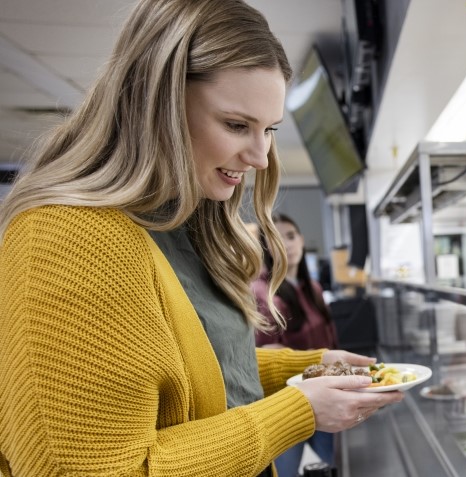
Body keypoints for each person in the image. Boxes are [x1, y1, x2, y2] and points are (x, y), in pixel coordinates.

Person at [0, 1, 401, 476]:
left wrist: (316, 368)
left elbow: (194, 374)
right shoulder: (70, 238)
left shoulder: (182, 222)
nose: (259, 157)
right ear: (157, 105)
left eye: (269, 130)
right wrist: (298, 409)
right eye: (236, 125)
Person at [253, 214, 339, 476]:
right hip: (287, 405)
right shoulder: (260, 292)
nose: (287, 244)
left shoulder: (311, 287)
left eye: (291, 236)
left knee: (337, 464)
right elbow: (263, 354)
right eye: (277, 239)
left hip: (327, 396)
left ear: (302, 240)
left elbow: (330, 338)